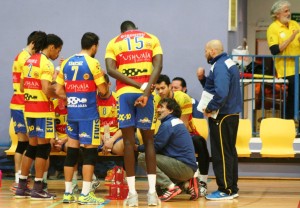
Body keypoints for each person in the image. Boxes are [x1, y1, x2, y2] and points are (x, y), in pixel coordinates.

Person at [105, 20, 163, 206]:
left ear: (122, 31)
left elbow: (110, 70)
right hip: (145, 94)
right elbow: (158, 67)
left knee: (129, 143)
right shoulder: (151, 38)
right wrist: (145, 91)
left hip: (124, 95)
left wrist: (136, 85)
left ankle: (132, 195)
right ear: (136, 28)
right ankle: (152, 194)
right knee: (148, 141)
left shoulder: (114, 42)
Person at [56, 32, 108, 205]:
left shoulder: (67, 62)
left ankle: (68, 193)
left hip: (73, 114)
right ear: (94, 46)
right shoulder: (93, 63)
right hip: (88, 115)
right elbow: (103, 91)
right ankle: (86, 194)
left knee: (71, 152)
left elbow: (58, 91)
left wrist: (70, 99)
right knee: (90, 153)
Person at [16, 33, 63, 200]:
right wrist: (61, 93)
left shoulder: (29, 60)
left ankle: (22, 187)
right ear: (51, 48)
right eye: (58, 50)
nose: (57, 54)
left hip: (29, 109)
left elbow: (22, 87)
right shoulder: (46, 63)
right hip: (43, 110)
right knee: (43, 149)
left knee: (32, 147)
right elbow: (46, 89)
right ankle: (37, 188)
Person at [199, 40, 242, 200]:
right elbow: (217, 88)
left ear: (212, 51)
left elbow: (222, 92)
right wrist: (203, 79)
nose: (204, 53)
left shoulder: (220, 65)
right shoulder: (227, 62)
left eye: (205, 50)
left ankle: (225, 190)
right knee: (229, 152)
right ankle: (232, 187)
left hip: (223, 115)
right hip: (230, 114)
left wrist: (210, 108)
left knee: (221, 154)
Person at [155, 74, 209, 198]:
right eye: (158, 89)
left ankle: (202, 182)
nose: (160, 92)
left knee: (200, 142)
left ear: (170, 87)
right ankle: (184, 183)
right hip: (166, 132)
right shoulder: (156, 99)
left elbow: (182, 125)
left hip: (185, 133)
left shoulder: (183, 98)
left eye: (163, 88)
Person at [137, 98, 197, 202]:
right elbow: (156, 142)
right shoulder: (175, 122)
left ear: (170, 110)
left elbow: (155, 146)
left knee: (144, 157)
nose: (158, 110)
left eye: (161, 107)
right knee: (158, 190)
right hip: (187, 167)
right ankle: (186, 184)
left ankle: (171, 187)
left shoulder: (168, 125)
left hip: (183, 167)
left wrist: (137, 148)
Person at [9, 31, 47, 189]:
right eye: (39, 47)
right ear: (34, 43)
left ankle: (21, 179)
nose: (39, 51)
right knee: (28, 144)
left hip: (21, 103)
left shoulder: (21, 56)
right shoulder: (26, 58)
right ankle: (20, 179)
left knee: (25, 143)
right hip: (22, 103)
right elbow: (27, 84)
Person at [267, 0, 300, 121]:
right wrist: (291, 38)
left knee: (297, 96)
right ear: (277, 14)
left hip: (299, 65)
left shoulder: (295, 24)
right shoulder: (273, 28)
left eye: (289, 10)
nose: (289, 13)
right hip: (286, 68)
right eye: (285, 11)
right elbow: (275, 50)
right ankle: (288, 122)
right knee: (293, 95)